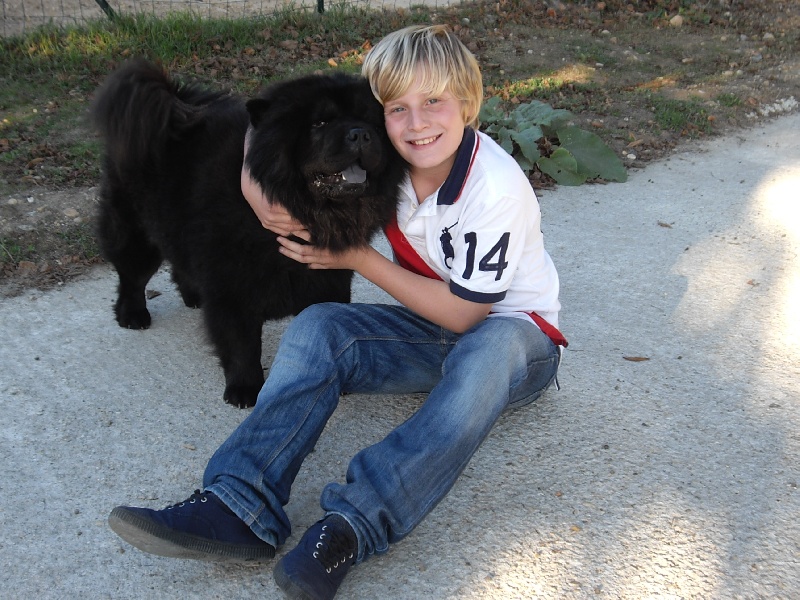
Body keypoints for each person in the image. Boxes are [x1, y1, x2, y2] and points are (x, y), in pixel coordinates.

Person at [108, 24, 567, 600]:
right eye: (397, 108)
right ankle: (238, 502)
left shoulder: (492, 188)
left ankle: (354, 525)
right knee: (319, 324)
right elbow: (271, 122)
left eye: (434, 102)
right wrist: (253, 186)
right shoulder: (391, 157)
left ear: (469, 104)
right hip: (430, 328)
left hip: (516, 344)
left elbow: (466, 318)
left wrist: (355, 258)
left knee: (488, 350)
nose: (417, 123)